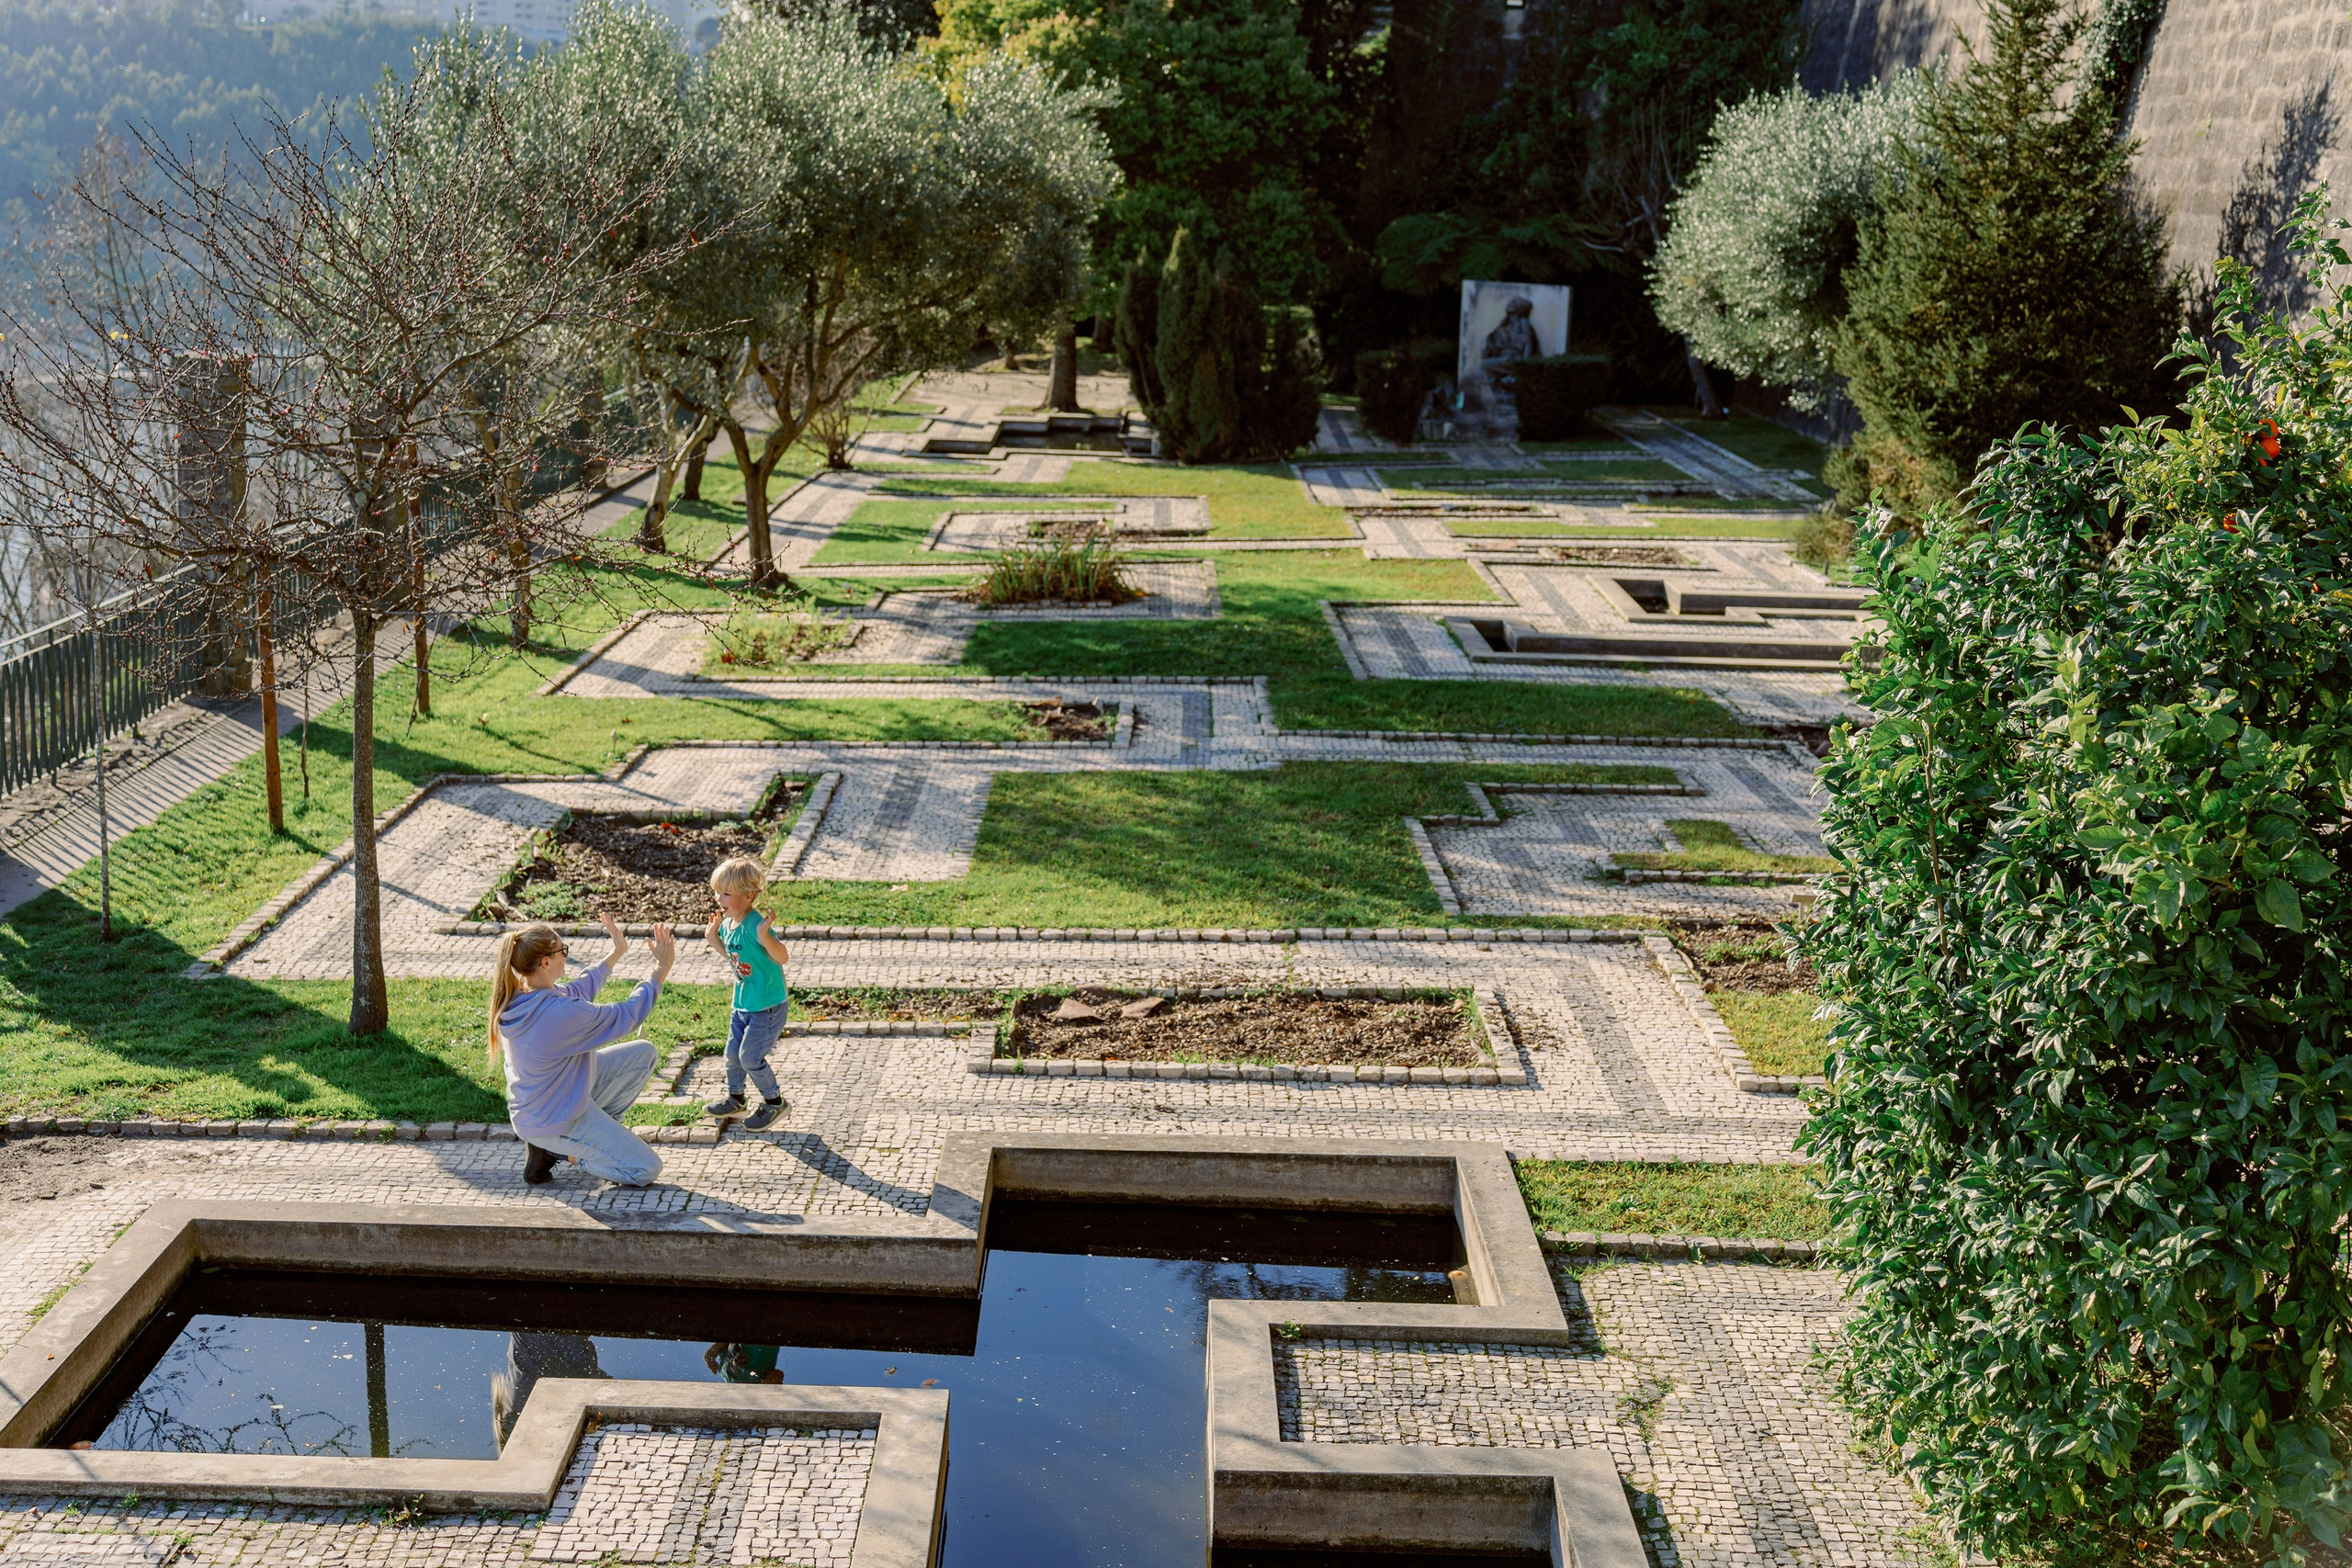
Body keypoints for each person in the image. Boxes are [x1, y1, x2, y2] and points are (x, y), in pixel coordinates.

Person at [488, 914, 675, 1187]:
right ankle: (563, 1152)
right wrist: (660, 970)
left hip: (550, 1102)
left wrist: (616, 952)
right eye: (562, 950)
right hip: (554, 1122)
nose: (565, 955)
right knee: (645, 1169)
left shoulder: (523, 995)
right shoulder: (558, 1014)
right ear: (546, 962)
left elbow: (579, 988)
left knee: (642, 1055)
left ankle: (593, 1137)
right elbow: (628, 1014)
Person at [702, 857, 790, 1131]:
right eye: (717, 891)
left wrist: (766, 937)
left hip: (768, 1006)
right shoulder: (728, 924)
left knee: (749, 1058)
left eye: (726, 893)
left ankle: (775, 1103)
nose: (719, 898)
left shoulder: (756, 925)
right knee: (731, 1055)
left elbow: (782, 956)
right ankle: (736, 1099)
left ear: (749, 895)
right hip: (743, 1004)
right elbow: (734, 957)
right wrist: (713, 938)